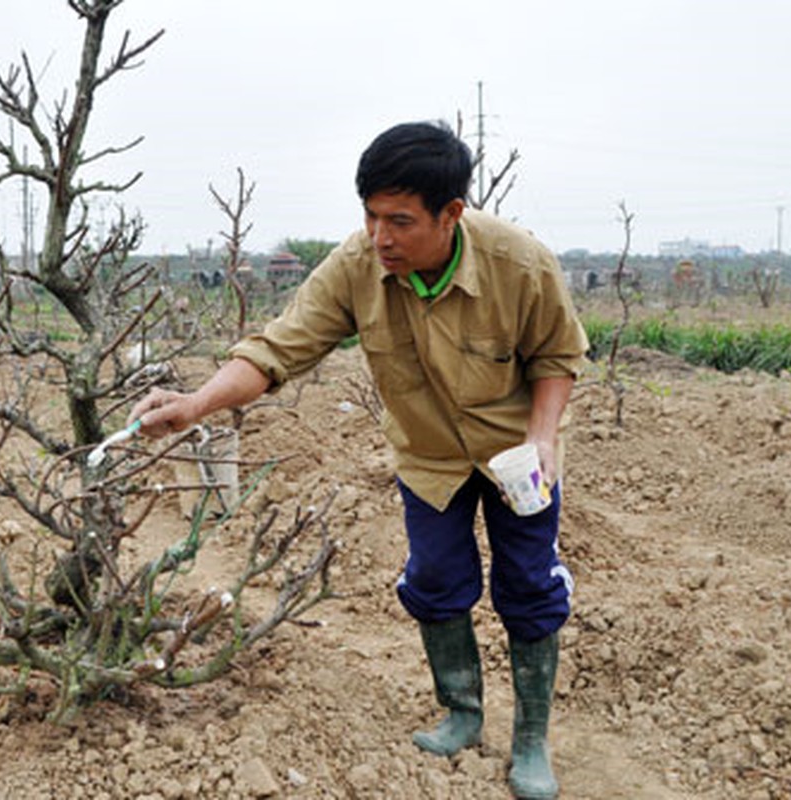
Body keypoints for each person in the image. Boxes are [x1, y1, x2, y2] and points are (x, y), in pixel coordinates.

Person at [129, 121, 587, 800]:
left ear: (451, 213)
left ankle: (530, 740)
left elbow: (557, 356)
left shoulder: (519, 264)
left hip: (518, 456)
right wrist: (196, 404)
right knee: (435, 580)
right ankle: (461, 715)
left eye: (400, 220)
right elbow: (277, 349)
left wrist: (545, 437)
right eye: (370, 216)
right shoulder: (356, 267)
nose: (381, 237)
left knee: (528, 585)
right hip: (429, 457)